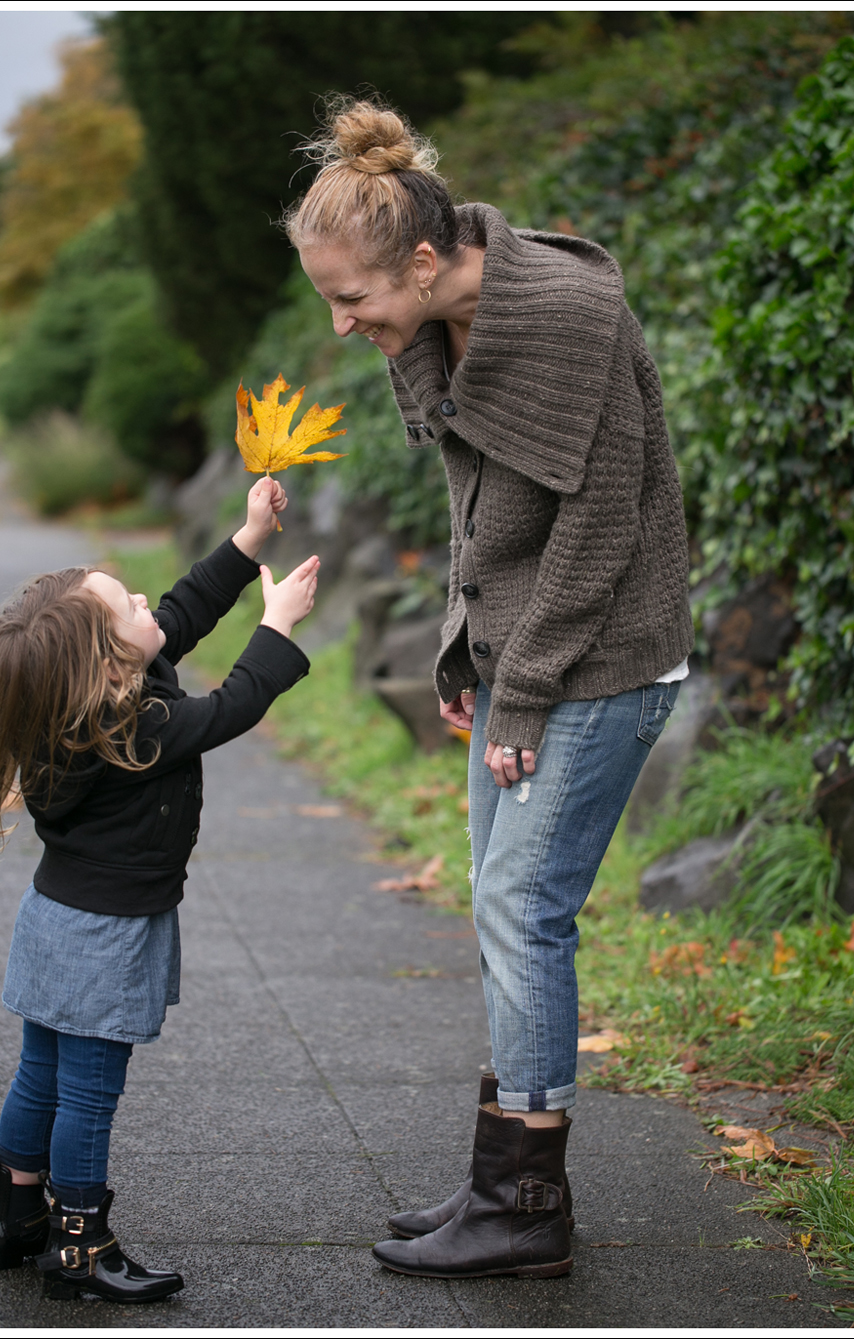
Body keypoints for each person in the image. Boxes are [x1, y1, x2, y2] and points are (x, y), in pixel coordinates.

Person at [286, 96, 694, 1281]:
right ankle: (498, 1175)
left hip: (603, 659)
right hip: (526, 657)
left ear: (423, 260)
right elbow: (485, 508)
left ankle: (526, 1205)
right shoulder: (437, 320)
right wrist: (470, 651)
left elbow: (599, 524)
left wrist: (524, 690)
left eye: (353, 298)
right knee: (500, 905)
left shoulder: (565, 317)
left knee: (525, 908)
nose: (341, 322)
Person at [0, 477, 319, 1303]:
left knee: (40, 1073)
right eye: (130, 606)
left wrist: (248, 538)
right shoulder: (135, 731)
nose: (148, 602)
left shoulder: (78, 707)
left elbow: (183, 607)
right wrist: (277, 626)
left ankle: (15, 1215)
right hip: (104, 935)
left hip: (51, 919)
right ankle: (79, 1245)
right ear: (111, 664)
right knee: (88, 1094)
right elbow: (232, 706)